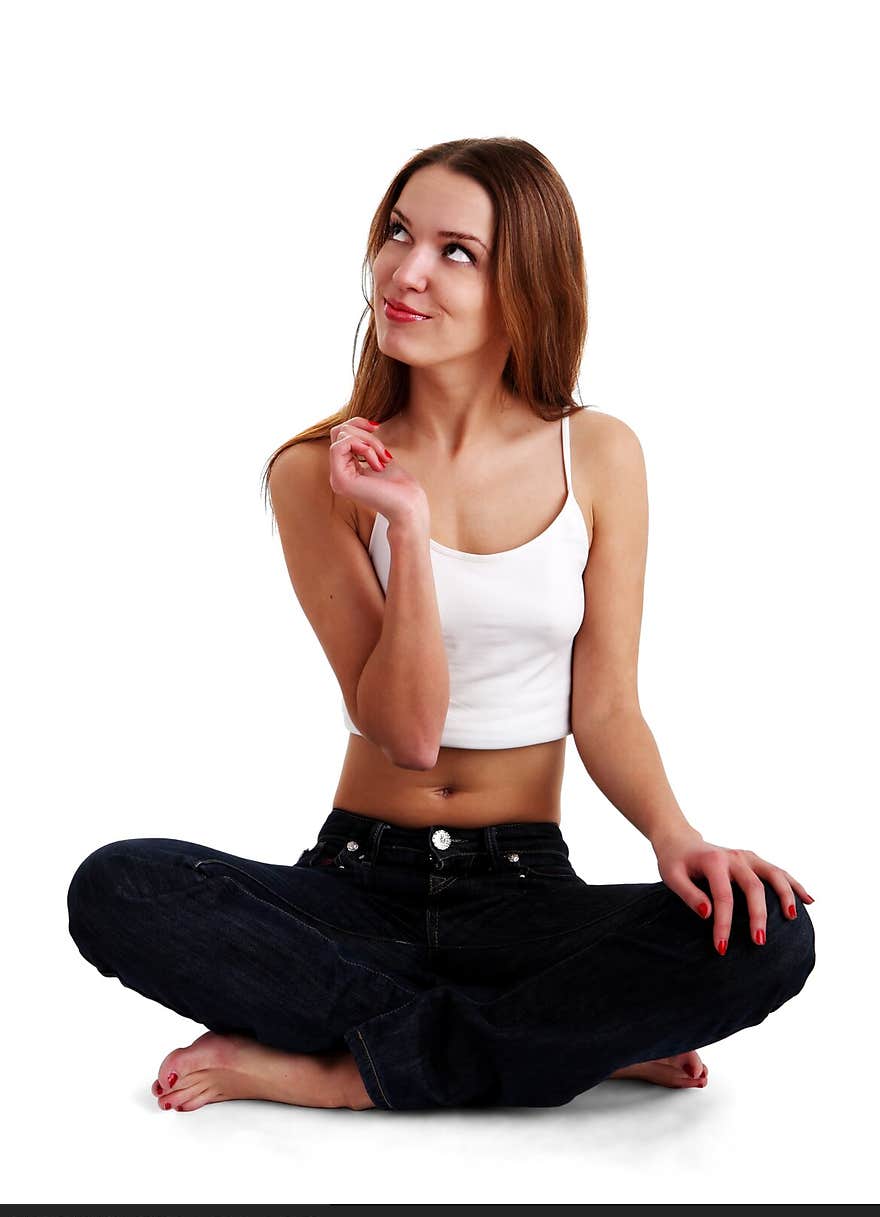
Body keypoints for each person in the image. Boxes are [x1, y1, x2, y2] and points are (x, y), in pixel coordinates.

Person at [66, 137, 816, 1114]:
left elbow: (608, 706)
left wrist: (676, 836)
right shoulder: (316, 473)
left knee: (771, 933)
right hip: (353, 884)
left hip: (523, 888)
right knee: (118, 885)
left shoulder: (598, 454)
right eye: (397, 234)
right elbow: (407, 732)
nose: (405, 272)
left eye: (455, 250)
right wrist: (406, 528)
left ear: (527, 285)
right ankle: (550, 1038)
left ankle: (352, 1071)